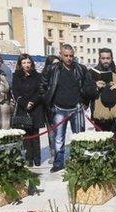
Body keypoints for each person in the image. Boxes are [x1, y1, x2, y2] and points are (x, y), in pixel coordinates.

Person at [40, 44, 93, 173]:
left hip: (76, 109)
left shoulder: (81, 69)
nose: (69, 58)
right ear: (60, 55)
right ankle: (58, 163)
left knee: (79, 137)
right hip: (59, 108)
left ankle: (79, 161)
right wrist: (48, 102)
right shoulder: (52, 69)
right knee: (58, 138)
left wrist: (85, 102)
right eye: (66, 56)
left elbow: (87, 87)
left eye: (71, 56)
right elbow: (43, 85)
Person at [86, 48, 116, 143]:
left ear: (112, 58)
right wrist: (95, 87)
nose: (105, 60)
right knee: (102, 145)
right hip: (100, 118)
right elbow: (86, 91)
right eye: (103, 58)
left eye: (108, 58)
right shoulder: (91, 73)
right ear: (99, 59)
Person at [12, 54, 43, 167]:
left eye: (28, 62)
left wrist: (32, 102)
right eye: (24, 63)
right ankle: (28, 158)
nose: (26, 65)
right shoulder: (16, 76)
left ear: (32, 63)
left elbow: (40, 91)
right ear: (20, 64)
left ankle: (37, 158)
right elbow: (15, 91)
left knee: (35, 134)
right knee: (25, 135)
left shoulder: (37, 76)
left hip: (35, 108)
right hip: (23, 108)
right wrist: (25, 103)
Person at [42, 55, 60, 165]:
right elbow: (42, 90)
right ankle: (53, 154)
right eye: (54, 64)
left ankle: (60, 153)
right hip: (49, 108)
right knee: (51, 133)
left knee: (60, 133)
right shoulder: (45, 76)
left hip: (61, 107)